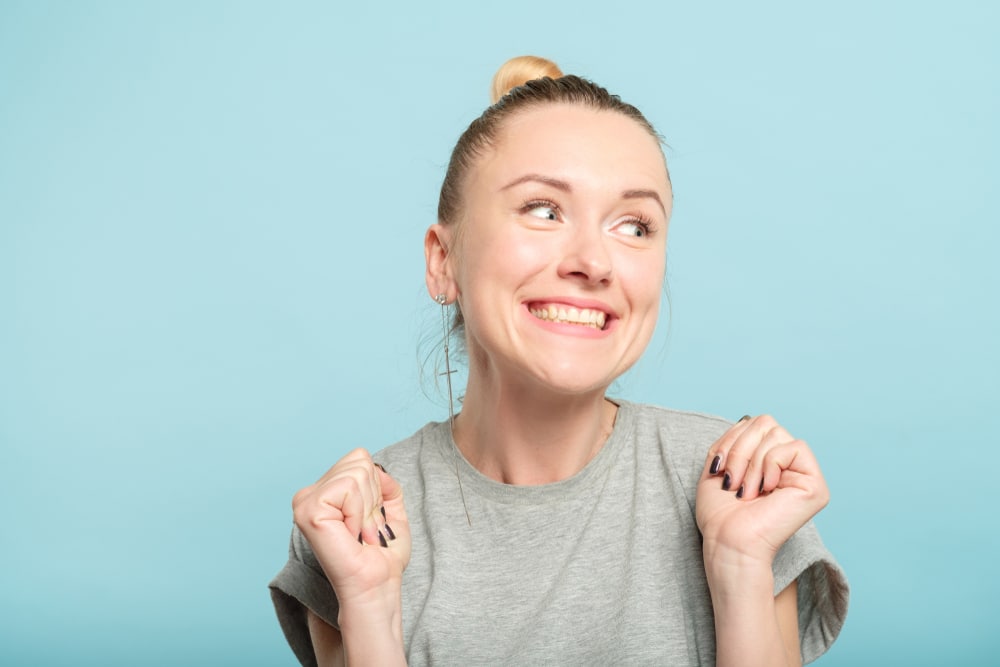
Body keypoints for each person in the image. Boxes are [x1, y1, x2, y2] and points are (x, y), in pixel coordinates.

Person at [269, 55, 849, 666]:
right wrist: (371, 607)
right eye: (543, 210)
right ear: (443, 261)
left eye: (634, 225)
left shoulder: (741, 487)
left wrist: (739, 565)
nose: (594, 262)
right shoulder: (358, 523)